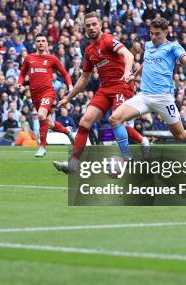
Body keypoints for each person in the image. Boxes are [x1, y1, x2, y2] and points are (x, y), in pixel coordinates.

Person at [107, 17, 186, 171]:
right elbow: (146, 62)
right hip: (144, 96)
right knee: (115, 119)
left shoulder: (173, 47)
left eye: (157, 34)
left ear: (166, 32)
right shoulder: (148, 45)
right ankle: (127, 158)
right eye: (151, 33)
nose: (153, 37)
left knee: (180, 135)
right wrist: (135, 75)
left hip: (164, 98)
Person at [52, 12, 147, 173]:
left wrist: (126, 72)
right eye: (88, 25)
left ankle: (130, 154)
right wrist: (68, 98)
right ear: (85, 28)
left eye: (94, 24)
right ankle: (73, 164)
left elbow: (128, 55)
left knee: (115, 120)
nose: (91, 27)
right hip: (105, 88)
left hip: (121, 85)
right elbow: (84, 78)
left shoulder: (108, 39)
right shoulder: (89, 50)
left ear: (100, 25)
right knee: (84, 122)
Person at [17, 34, 74, 157]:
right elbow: (22, 74)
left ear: (47, 44)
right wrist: (20, 83)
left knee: (41, 115)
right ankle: (67, 132)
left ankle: (42, 147)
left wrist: (70, 86)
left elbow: (64, 73)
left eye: (43, 41)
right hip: (34, 95)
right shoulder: (29, 58)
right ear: (35, 44)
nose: (41, 43)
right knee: (48, 123)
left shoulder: (52, 59)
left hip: (48, 92)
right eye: (38, 41)